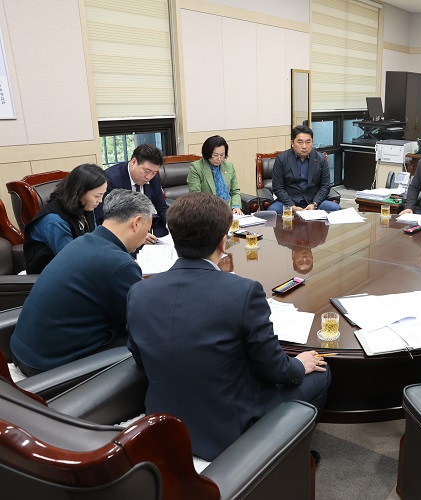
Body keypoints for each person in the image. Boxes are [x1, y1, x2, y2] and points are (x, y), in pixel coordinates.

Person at [126, 192, 331, 461]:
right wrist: (299, 365)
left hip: (162, 422)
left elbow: (141, 360)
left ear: (174, 237)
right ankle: (292, 459)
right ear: (223, 242)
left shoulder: (139, 292)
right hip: (227, 427)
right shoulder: (243, 292)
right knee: (320, 372)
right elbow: (274, 369)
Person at [10, 190, 153, 375]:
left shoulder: (83, 241)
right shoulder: (119, 264)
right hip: (47, 365)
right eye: (147, 229)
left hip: (24, 351)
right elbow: (138, 320)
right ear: (136, 222)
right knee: (150, 340)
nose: (146, 236)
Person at [24, 163, 107, 274]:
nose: (100, 200)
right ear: (79, 192)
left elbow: (96, 242)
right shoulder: (54, 221)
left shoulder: (84, 207)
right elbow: (72, 261)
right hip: (50, 277)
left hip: (76, 270)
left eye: (102, 195)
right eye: (97, 196)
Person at [95, 144, 168, 242]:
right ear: (134, 162)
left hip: (150, 226)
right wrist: (138, 234)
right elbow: (105, 217)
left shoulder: (154, 179)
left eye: (154, 173)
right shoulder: (111, 179)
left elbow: (161, 206)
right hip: (123, 231)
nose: (149, 177)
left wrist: (170, 225)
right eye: (146, 171)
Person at [269, 125, 340, 214]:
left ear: (312, 142)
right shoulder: (282, 159)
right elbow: (278, 187)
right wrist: (291, 206)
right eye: (300, 142)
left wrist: (314, 204)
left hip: (313, 201)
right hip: (288, 202)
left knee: (334, 208)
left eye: (308, 142)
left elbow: (325, 186)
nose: (304, 146)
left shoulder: (321, 159)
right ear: (292, 143)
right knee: (272, 211)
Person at [187, 135, 244, 215]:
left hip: (229, 211)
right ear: (208, 153)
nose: (219, 158)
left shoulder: (229, 166)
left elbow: (235, 191)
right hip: (208, 212)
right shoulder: (196, 167)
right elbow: (196, 196)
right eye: (215, 155)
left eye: (222, 155)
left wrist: (236, 206)